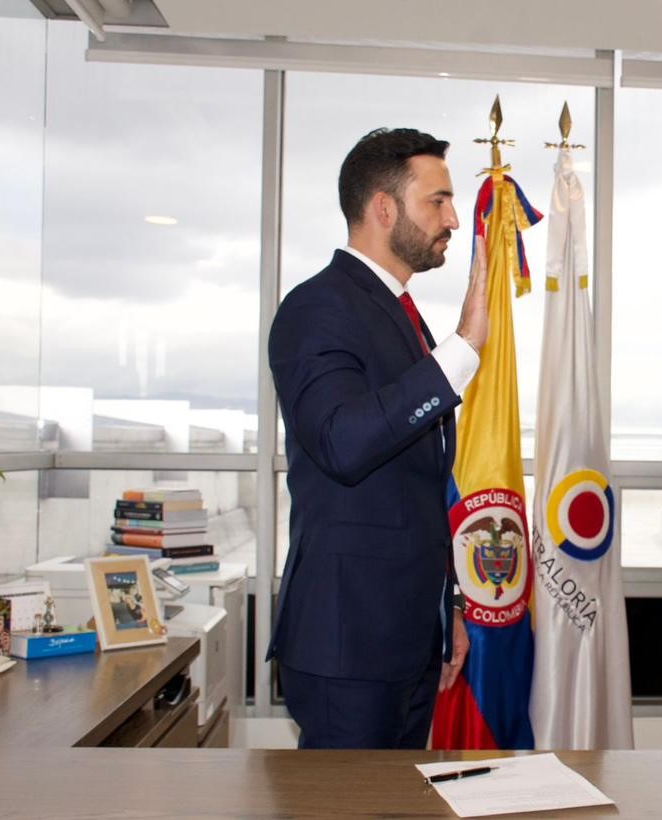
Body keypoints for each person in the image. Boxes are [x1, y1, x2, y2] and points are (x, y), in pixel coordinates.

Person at [267, 128, 488, 748]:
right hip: (349, 643)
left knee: (400, 798)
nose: (453, 219)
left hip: (410, 638)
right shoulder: (317, 307)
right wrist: (462, 350)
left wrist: (447, 610)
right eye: (438, 201)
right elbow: (342, 443)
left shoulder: (400, 314)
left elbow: (414, 492)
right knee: (347, 801)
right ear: (384, 208)